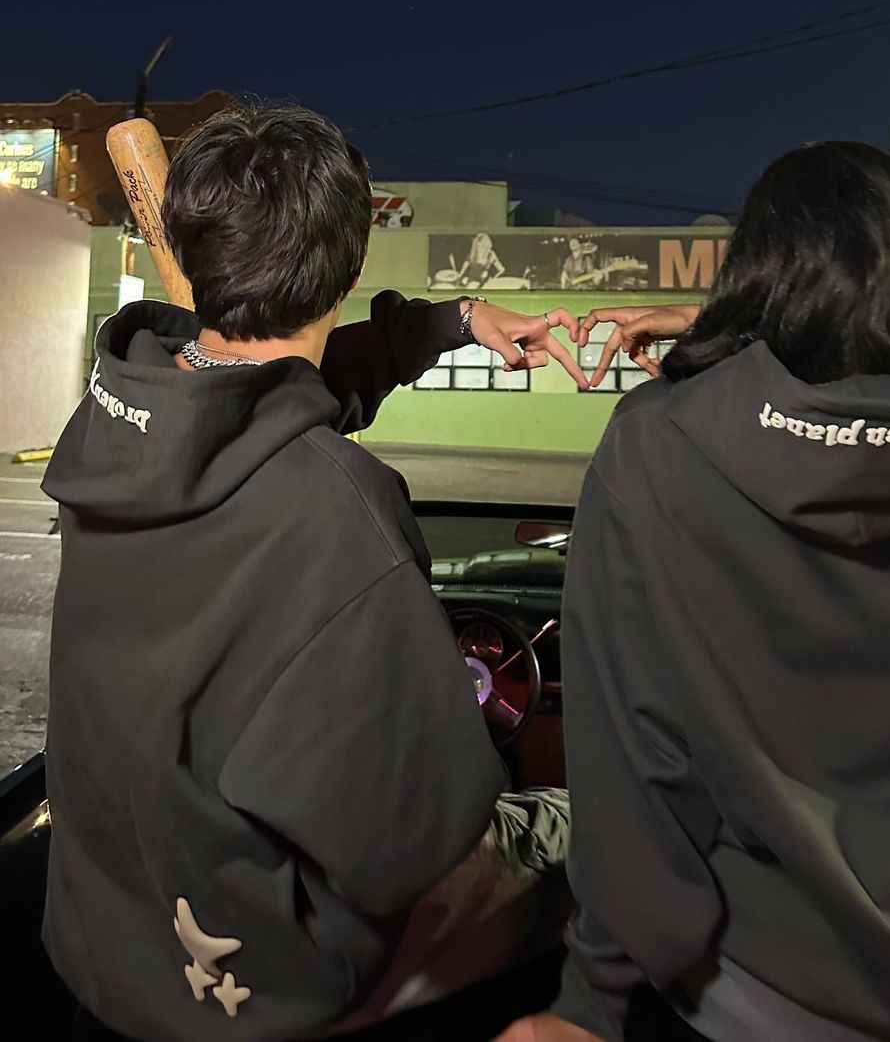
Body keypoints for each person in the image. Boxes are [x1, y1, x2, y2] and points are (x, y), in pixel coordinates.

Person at [502, 142, 890, 1042]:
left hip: (774, 995)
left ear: (755, 268)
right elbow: (874, 372)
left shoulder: (657, 449)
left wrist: (592, 1000)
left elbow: (637, 761)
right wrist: (732, 326)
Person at [42, 105, 580, 1042]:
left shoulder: (115, 415)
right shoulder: (341, 515)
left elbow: (265, 390)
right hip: (263, 981)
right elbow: (413, 841)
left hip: (104, 941)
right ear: (352, 268)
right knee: (590, 827)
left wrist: (451, 323)